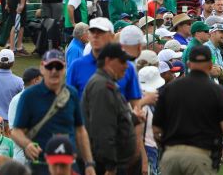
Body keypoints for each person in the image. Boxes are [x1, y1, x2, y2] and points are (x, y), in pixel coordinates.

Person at [153, 45, 223, 175]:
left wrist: (166, 149)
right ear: (211, 65)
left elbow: (156, 130)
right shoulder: (217, 91)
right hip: (200, 155)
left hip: (170, 156)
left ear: (188, 64)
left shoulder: (169, 89)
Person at [11, 51, 95, 175]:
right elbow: (16, 131)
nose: (54, 71)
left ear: (65, 69)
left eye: (59, 67)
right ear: (42, 68)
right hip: (40, 165)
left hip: (69, 165)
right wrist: (27, 144)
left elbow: (80, 131)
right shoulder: (29, 96)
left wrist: (89, 164)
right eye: (50, 66)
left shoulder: (72, 94)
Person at [80, 43, 137, 175]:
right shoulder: (102, 86)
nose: (126, 65)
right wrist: (110, 166)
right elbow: (103, 130)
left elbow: (114, 121)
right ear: (108, 61)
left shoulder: (106, 84)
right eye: (122, 61)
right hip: (106, 167)